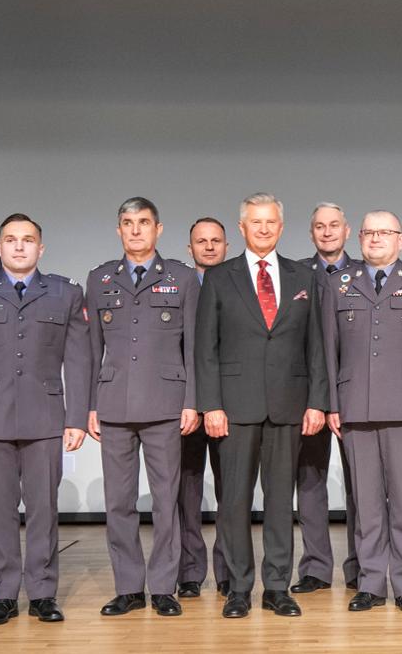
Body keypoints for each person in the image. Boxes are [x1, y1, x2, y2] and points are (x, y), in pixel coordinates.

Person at [0, 214, 91, 625]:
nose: (20, 246)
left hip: (46, 419)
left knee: (44, 509)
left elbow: (78, 362)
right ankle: (5, 595)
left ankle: (43, 594)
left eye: (28, 240)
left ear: (40, 248)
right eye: (11, 239)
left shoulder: (64, 293)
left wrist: (76, 418)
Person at [194, 193, 330, 619]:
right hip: (233, 408)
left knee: (279, 501)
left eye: (271, 221)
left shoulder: (304, 276)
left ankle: (277, 587)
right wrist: (210, 404)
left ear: (281, 226)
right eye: (256, 221)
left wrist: (317, 402)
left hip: (289, 406)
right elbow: (205, 349)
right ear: (242, 227)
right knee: (233, 501)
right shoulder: (220, 277)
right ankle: (238, 588)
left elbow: (317, 347)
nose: (264, 228)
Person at [318, 210, 402, 613]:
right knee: (367, 504)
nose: (376, 239)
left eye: (385, 232)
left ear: (400, 239)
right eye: (369, 233)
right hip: (354, 406)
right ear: (358, 238)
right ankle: (371, 582)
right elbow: (328, 351)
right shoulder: (338, 284)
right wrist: (332, 406)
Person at [85, 198, 199, 618]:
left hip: (167, 405)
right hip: (114, 404)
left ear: (158, 228)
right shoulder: (100, 279)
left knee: (166, 500)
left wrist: (192, 402)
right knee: (119, 501)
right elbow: (90, 348)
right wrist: (88, 407)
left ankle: (164, 587)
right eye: (128, 223)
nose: (136, 230)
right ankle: (129, 587)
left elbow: (194, 348)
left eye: (143, 223)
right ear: (119, 230)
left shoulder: (182, 278)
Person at [293, 202, 359, 594]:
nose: (327, 232)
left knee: (361, 487)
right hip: (310, 396)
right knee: (311, 482)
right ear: (312, 232)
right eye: (320, 226)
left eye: (334, 225)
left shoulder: (366, 273)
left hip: (356, 394)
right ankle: (316, 569)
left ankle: (360, 567)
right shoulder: (298, 275)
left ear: (347, 230)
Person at [177, 217, 231, 599]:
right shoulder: (178, 284)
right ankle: (190, 572)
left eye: (216, 241)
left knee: (232, 491)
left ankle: (228, 571)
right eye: (201, 241)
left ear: (226, 246)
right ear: (189, 247)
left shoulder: (237, 283)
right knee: (186, 492)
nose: (209, 247)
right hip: (181, 404)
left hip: (228, 402)